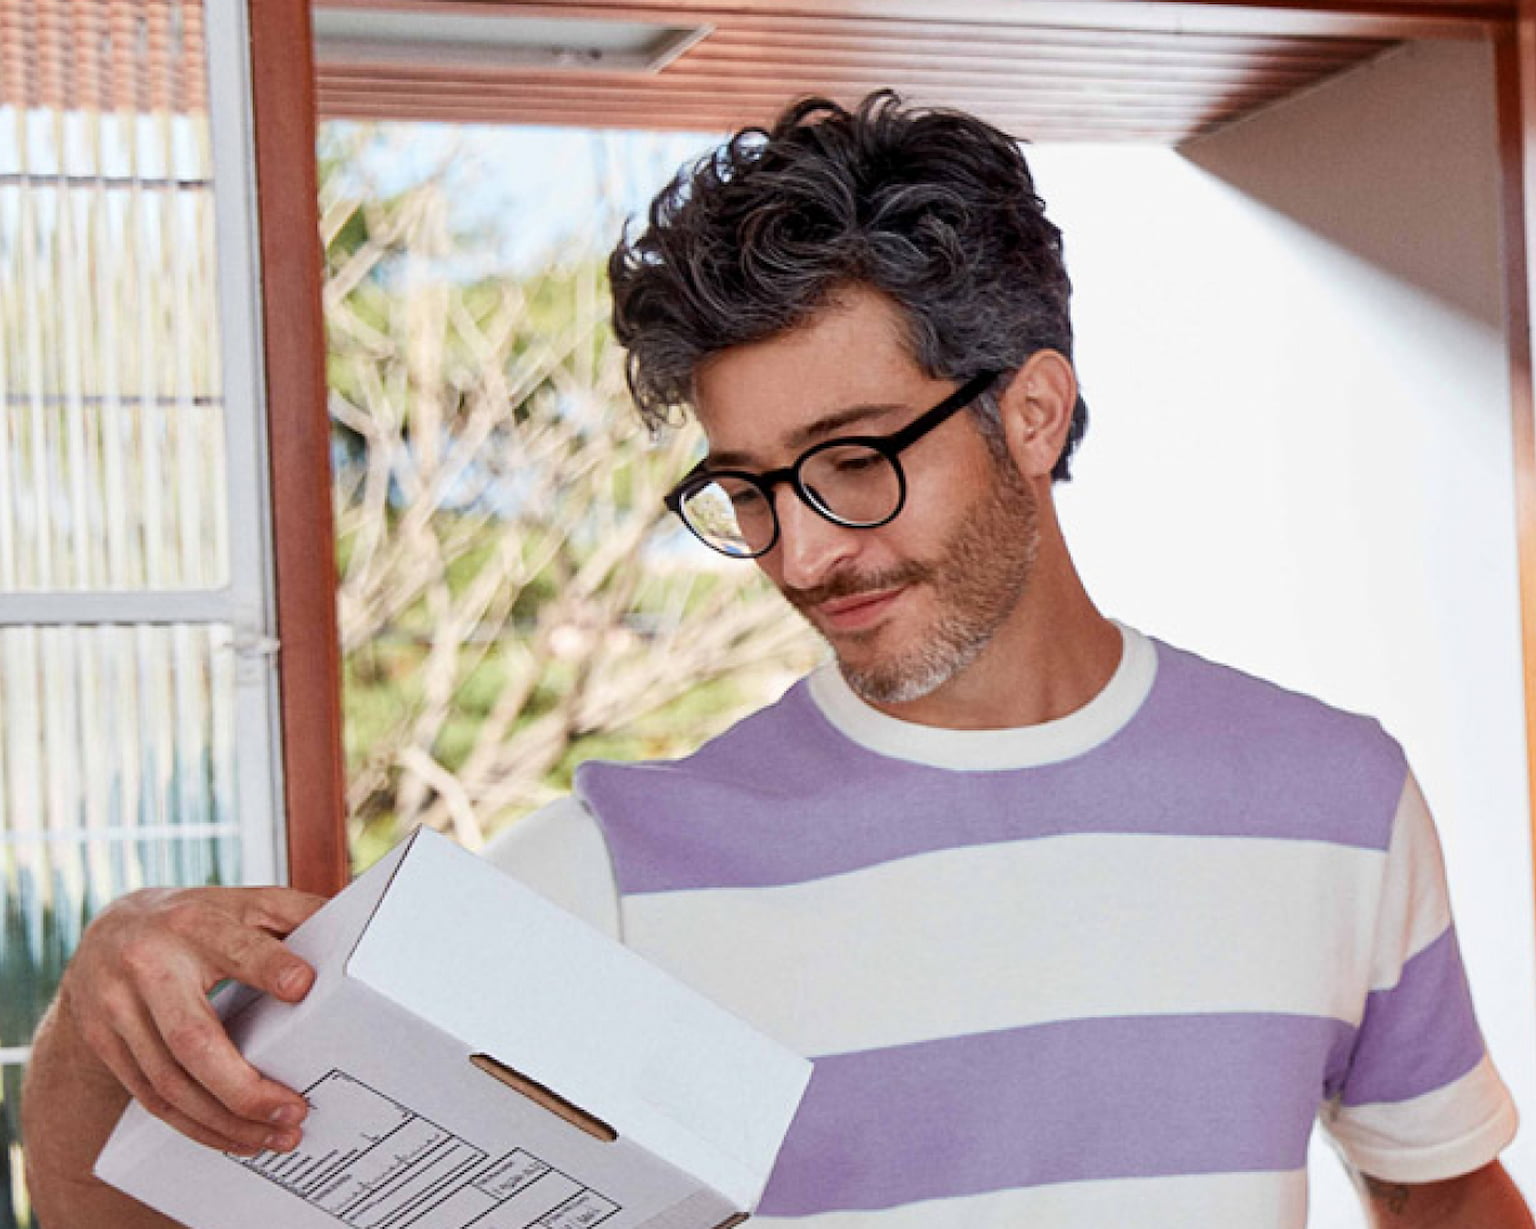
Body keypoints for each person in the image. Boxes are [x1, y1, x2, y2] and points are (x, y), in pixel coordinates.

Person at [21, 91, 1533, 1228]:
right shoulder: (627, 862)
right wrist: (100, 1010)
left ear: (1034, 411)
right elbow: (149, 1206)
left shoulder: (1337, 798)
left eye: (851, 459)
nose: (802, 552)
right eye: (745, 488)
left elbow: (1449, 1197)